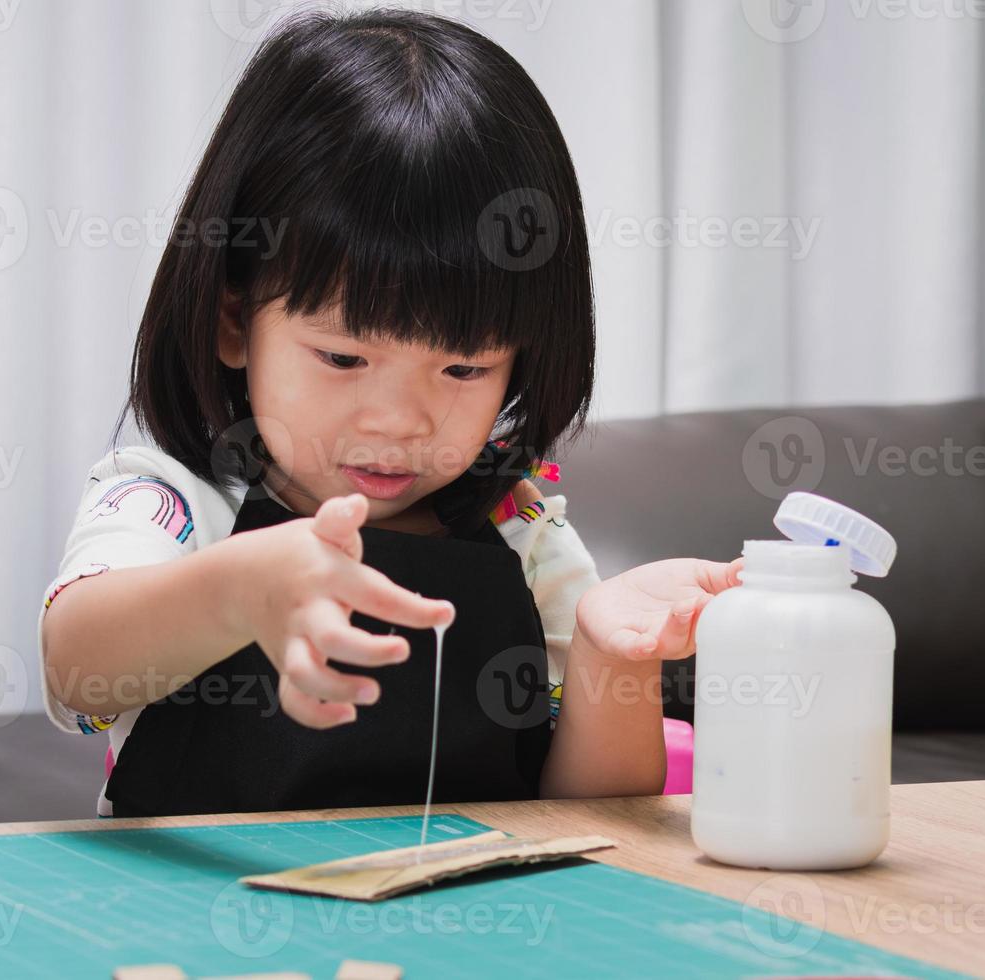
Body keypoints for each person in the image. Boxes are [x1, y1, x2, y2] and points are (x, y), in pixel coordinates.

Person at [38, 8, 743, 818]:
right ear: (235, 322)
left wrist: (613, 657)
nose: (399, 421)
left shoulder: (524, 533)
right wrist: (235, 593)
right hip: (209, 927)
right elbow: (74, 671)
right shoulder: (178, 502)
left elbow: (592, 809)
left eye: (463, 367)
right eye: (343, 358)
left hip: (473, 925)